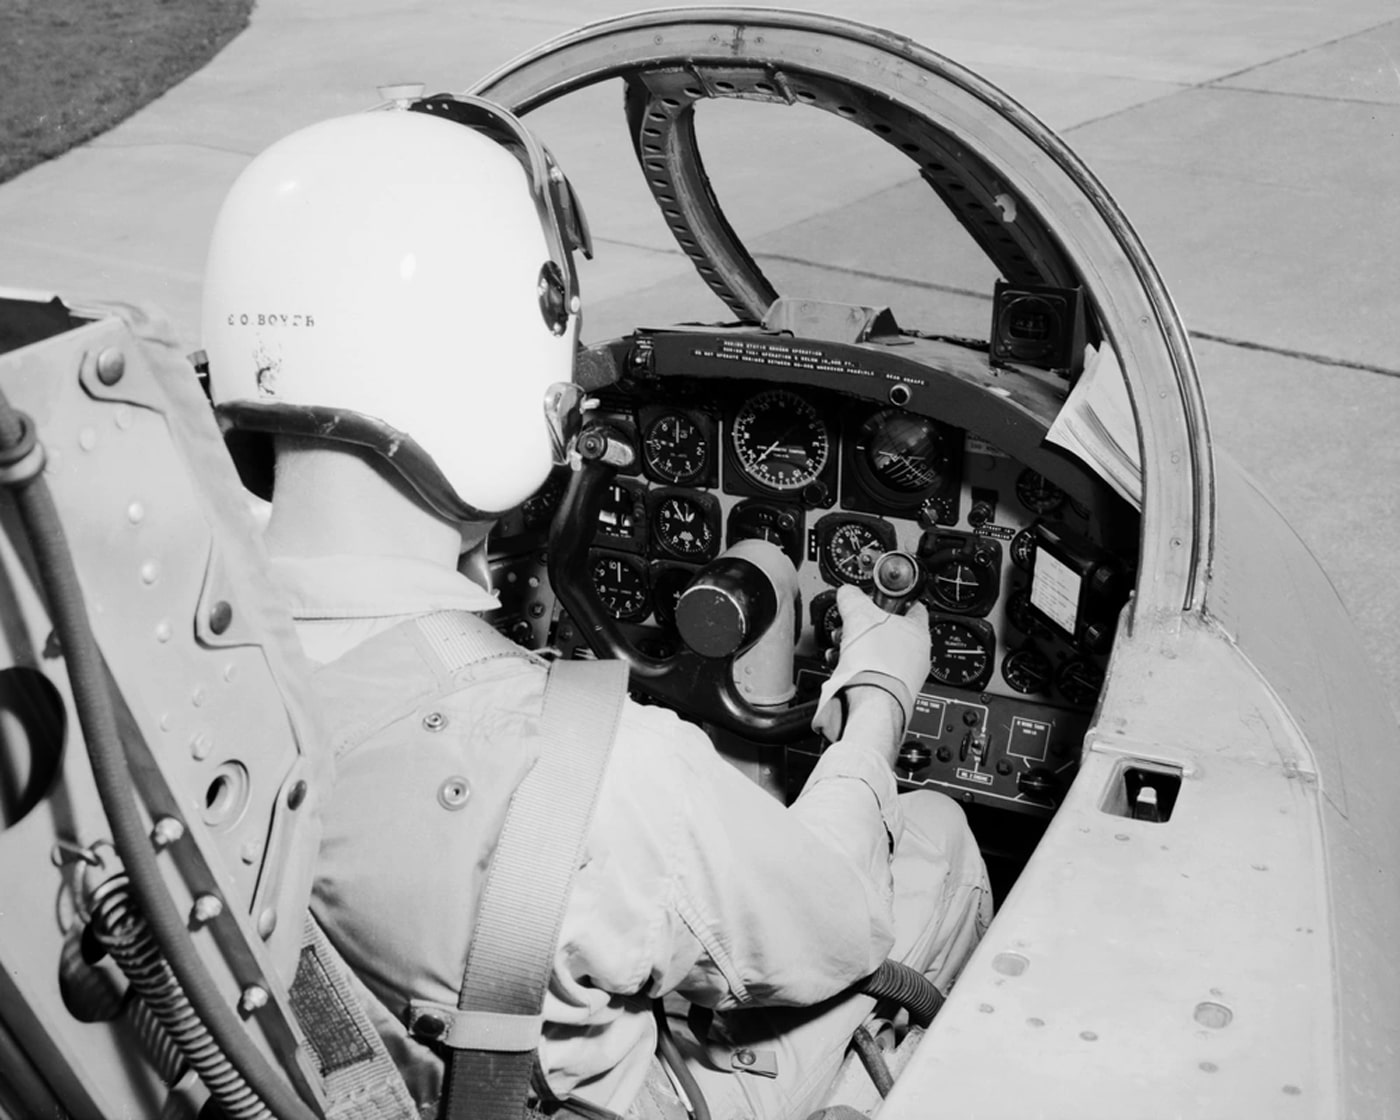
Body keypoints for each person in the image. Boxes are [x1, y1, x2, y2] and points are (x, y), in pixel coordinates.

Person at [200, 94, 991, 1120]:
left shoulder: (165, 660)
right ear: (500, 371)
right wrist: (875, 698)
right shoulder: (595, 776)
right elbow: (834, 924)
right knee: (927, 834)